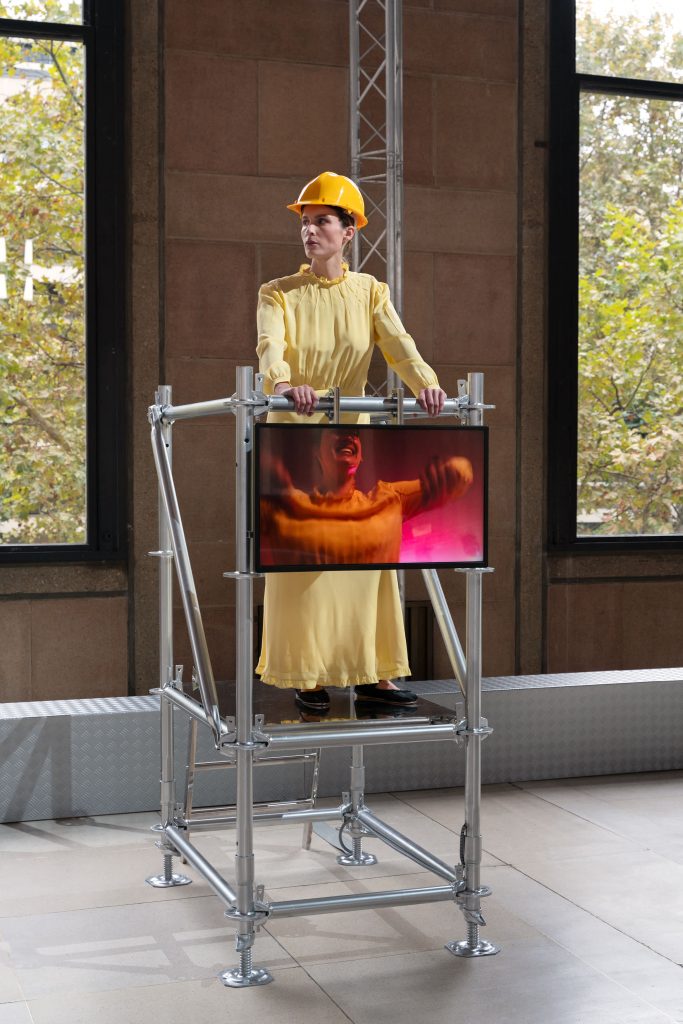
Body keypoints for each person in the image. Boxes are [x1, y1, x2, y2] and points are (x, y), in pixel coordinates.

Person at [256, 170, 447, 712]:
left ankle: (373, 674)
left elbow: (399, 345)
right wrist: (283, 384)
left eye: (322, 221)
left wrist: (427, 386)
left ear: (349, 232)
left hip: (349, 436)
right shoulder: (278, 292)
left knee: (367, 555)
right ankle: (307, 675)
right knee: (304, 560)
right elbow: (271, 347)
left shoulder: (370, 292)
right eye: (306, 221)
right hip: (295, 434)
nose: (310, 230)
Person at [259, 428, 473, 567]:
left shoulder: (388, 499)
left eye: (355, 433)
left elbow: (461, 473)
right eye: (336, 430)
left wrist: (452, 472)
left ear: (361, 457)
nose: (349, 436)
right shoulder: (289, 505)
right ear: (317, 451)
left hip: (369, 609)